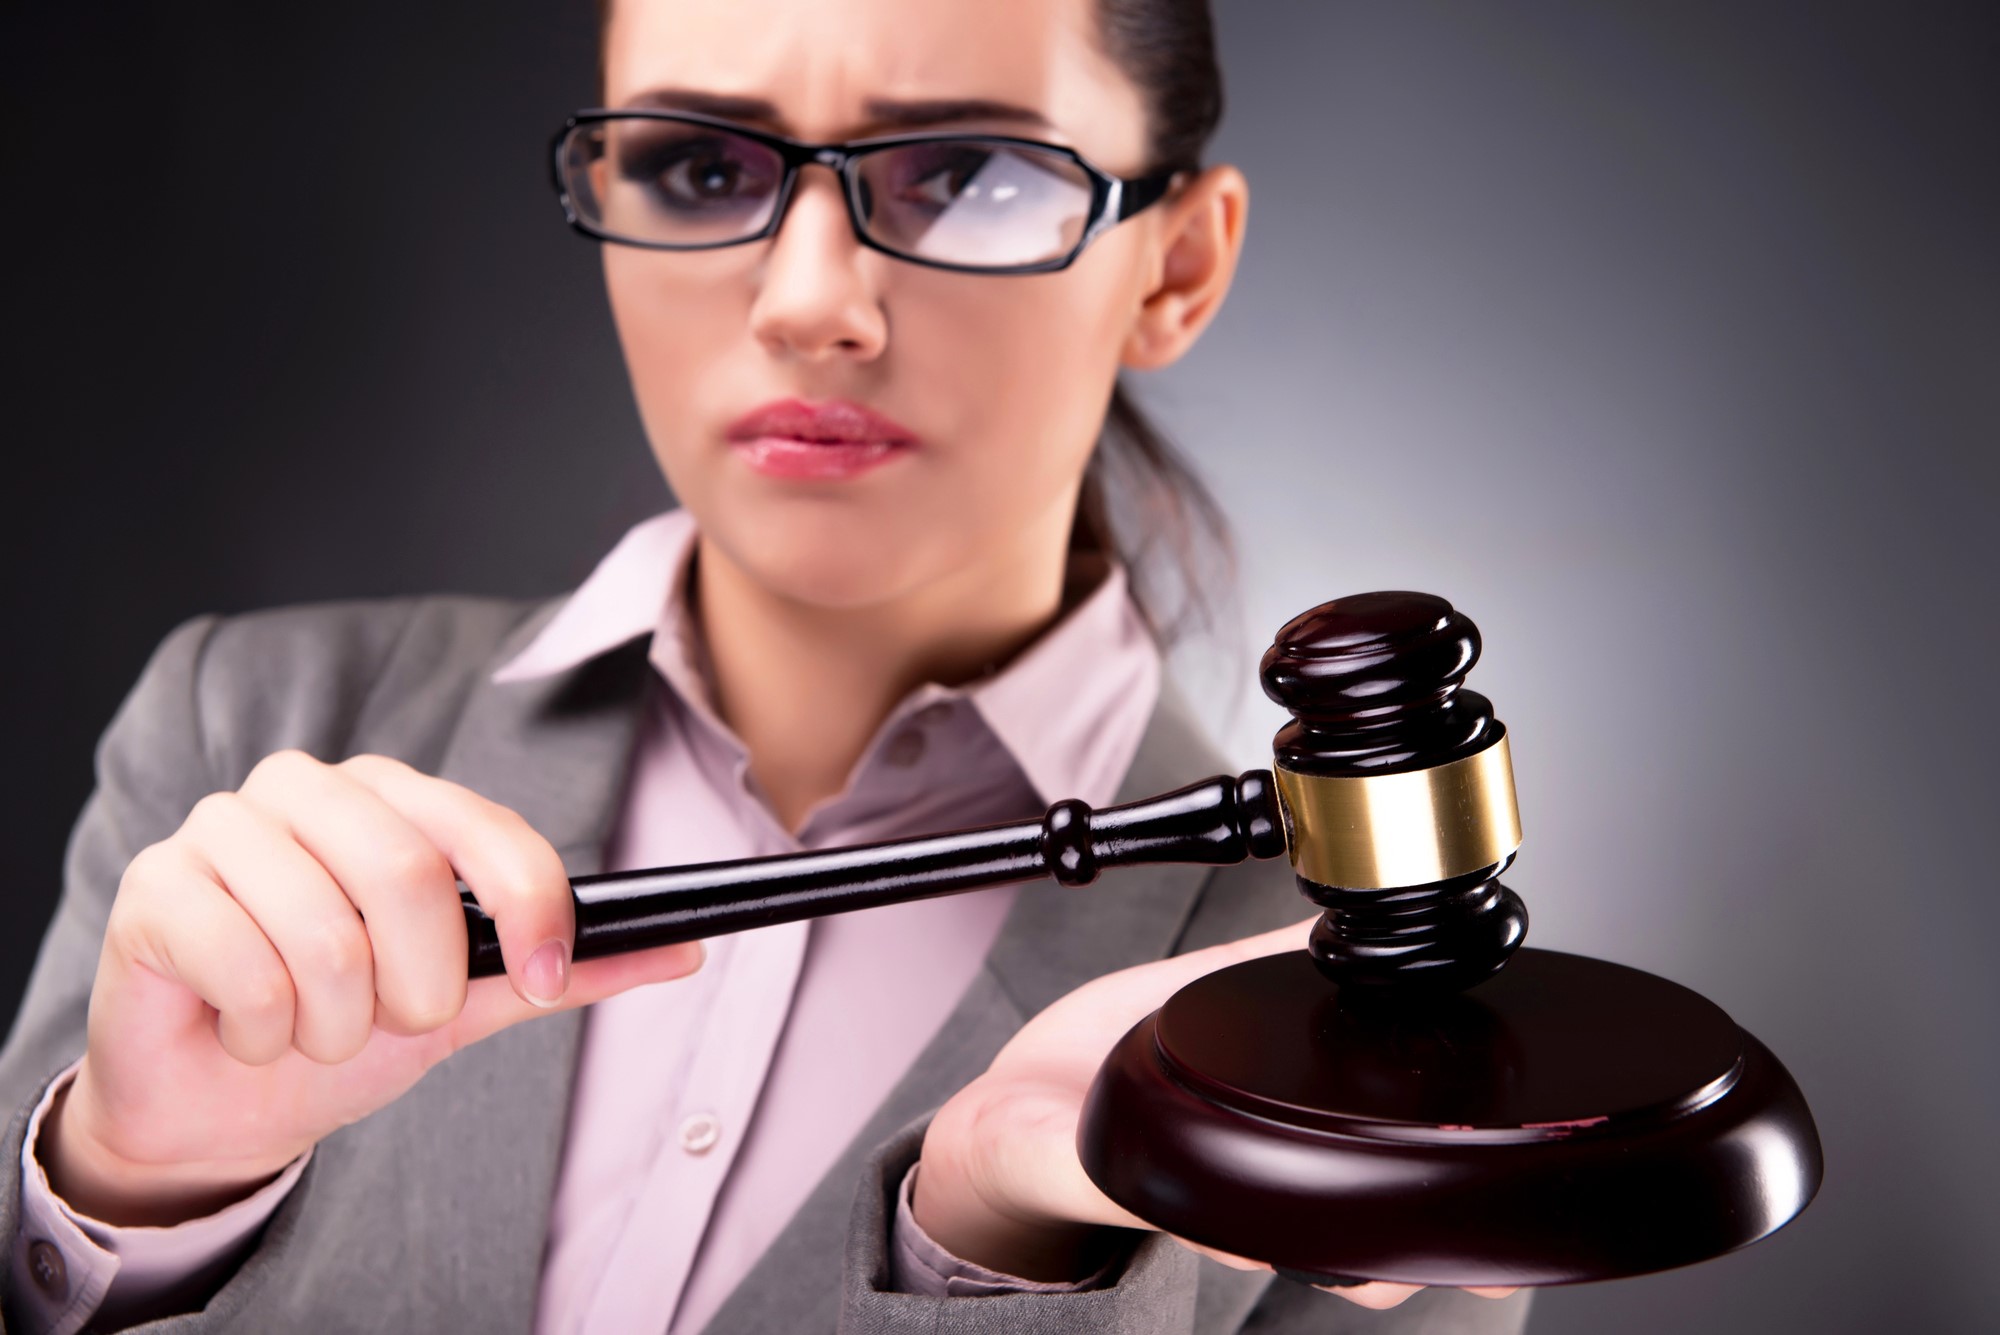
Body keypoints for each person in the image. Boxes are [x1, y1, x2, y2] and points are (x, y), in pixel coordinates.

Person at [0, 0, 1532, 1331]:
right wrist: (131, 1198)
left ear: (1175, 269)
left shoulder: (1386, 1073)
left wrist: (993, 1251)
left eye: (969, 172)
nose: (809, 302)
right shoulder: (248, 732)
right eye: (699, 167)